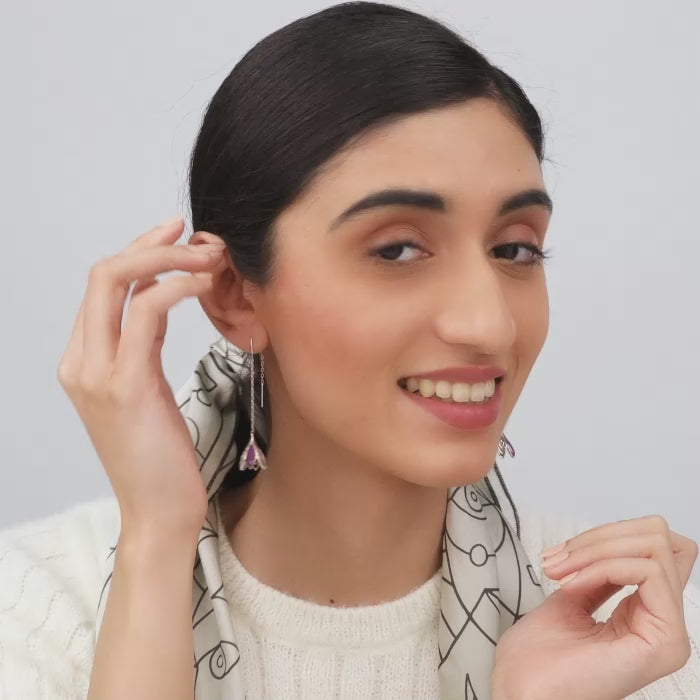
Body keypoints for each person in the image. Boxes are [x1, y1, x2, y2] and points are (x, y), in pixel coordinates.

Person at [1, 2, 698, 699]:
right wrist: (156, 542)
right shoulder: (38, 613)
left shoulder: (636, 634)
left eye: (515, 249)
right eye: (397, 250)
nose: (490, 326)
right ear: (236, 295)